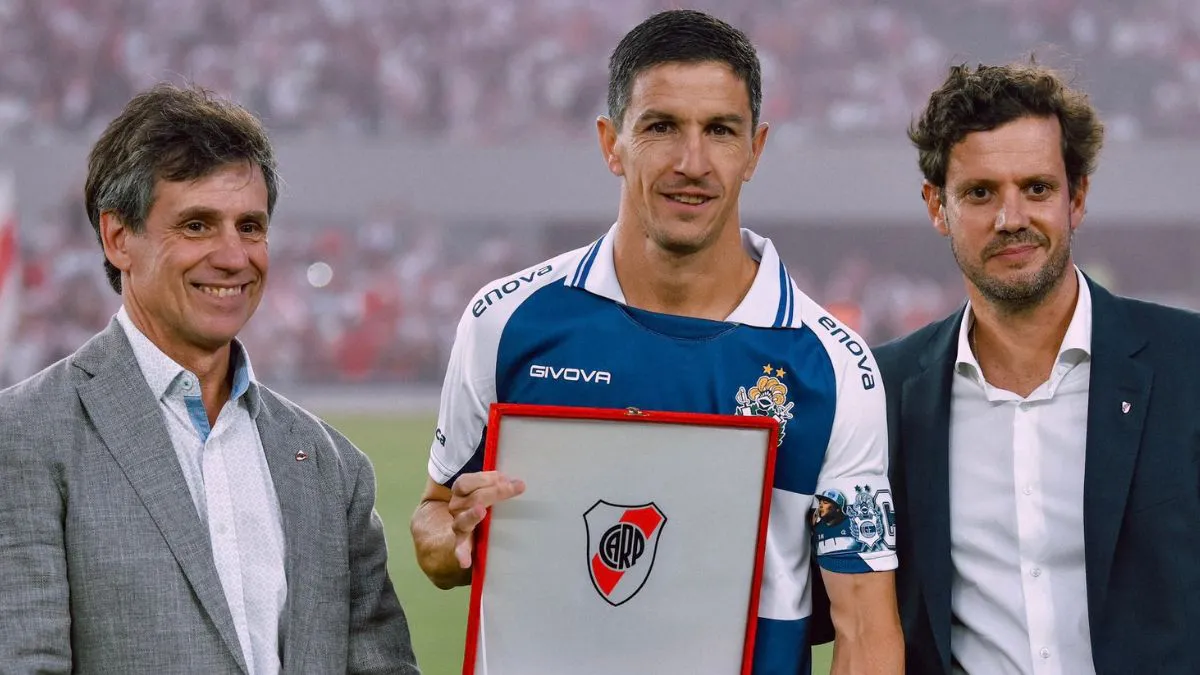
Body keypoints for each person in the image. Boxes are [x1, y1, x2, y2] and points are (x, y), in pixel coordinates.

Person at [410, 10, 902, 674]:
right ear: (612, 143)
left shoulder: (833, 366)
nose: (691, 162)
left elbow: (866, 630)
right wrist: (452, 543)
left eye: (720, 130)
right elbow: (436, 515)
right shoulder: (508, 321)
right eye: (661, 126)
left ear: (754, 150)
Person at [0, 83, 420, 674]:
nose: (232, 255)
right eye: (197, 225)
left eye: (249, 226)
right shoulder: (25, 436)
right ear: (118, 237)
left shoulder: (332, 467)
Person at [876, 61, 1200, 675]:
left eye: (1037, 188)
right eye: (980, 193)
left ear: (1076, 197)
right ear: (936, 206)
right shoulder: (887, 392)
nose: (1011, 218)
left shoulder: (1188, 365)